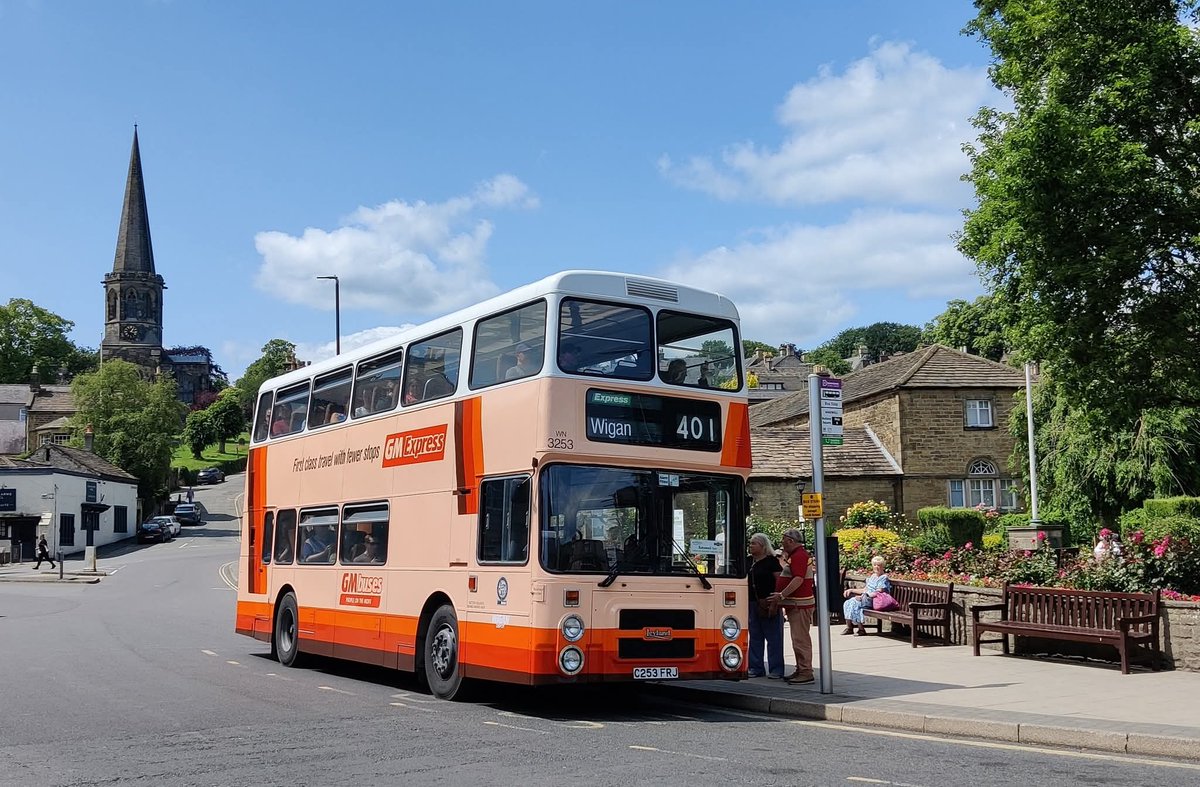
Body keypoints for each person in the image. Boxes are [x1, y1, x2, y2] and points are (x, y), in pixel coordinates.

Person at [768, 527, 816, 684]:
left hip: (799, 604)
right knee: (798, 639)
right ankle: (800, 669)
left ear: (790, 541)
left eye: (783, 540)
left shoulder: (799, 556)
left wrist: (782, 595)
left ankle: (806, 672)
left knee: (800, 639)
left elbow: (798, 579)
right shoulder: (796, 555)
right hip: (796, 604)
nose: (782, 543)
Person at [747, 533, 785, 679]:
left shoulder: (771, 562)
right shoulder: (748, 561)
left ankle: (776, 669)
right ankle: (755, 667)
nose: (751, 546)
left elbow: (779, 581)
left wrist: (776, 600)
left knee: (774, 637)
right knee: (755, 636)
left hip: (768, 602)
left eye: (754, 543)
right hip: (752, 603)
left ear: (763, 546)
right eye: (750, 543)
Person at [842, 555, 891, 636]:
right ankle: (849, 627)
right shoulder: (873, 576)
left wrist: (864, 596)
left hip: (875, 600)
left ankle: (861, 629)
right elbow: (865, 589)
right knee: (847, 603)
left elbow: (879, 591)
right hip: (866, 598)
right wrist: (851, 590)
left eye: (879, 565)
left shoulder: (883, 578)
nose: (876, 567)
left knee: (855, 603)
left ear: (882, 566)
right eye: (875, 565)